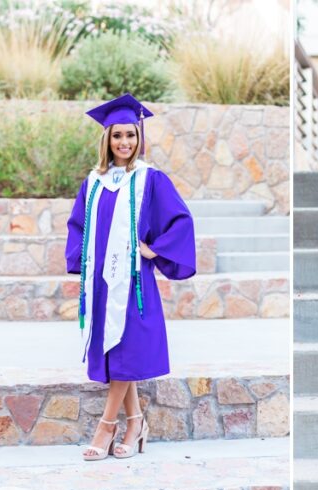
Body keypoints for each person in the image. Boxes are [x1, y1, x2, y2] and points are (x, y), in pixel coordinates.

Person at [65, 94, 197, 461]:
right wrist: (82, 260)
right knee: (119, 353)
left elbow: (180, 219)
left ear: (140, 137)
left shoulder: (149, 179)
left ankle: (106, 427)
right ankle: (136, 422)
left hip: (134, 282)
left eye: (131, 135)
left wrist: (154, 249)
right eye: (118, 136)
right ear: (106, 139)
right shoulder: (94, 182)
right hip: (102, 283)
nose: (125, 143)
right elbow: (78, 225)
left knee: (126, 349)